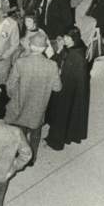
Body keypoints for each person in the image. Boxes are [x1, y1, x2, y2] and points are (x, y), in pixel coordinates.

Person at [6, 32, 62, 166]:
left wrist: (13, 97)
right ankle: (32, 158)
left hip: (20, 106)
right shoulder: (52, 65)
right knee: (35, 134)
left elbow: (10, 85)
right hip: (38, 108)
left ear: (30, 46)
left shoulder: (20, 62)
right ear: (44, 48)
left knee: (19, 133)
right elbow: (57, 88)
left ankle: (18, 155)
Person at [45, 27, 90, 150]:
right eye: (64, 37)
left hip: (67, 90)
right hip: (65, 87)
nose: (64, 39)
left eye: (66, 37)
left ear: (72, 39)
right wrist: (59, 51)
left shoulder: (76, 56)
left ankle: (55, 142)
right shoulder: (73, 48)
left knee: (61, 115)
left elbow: (72, 75)